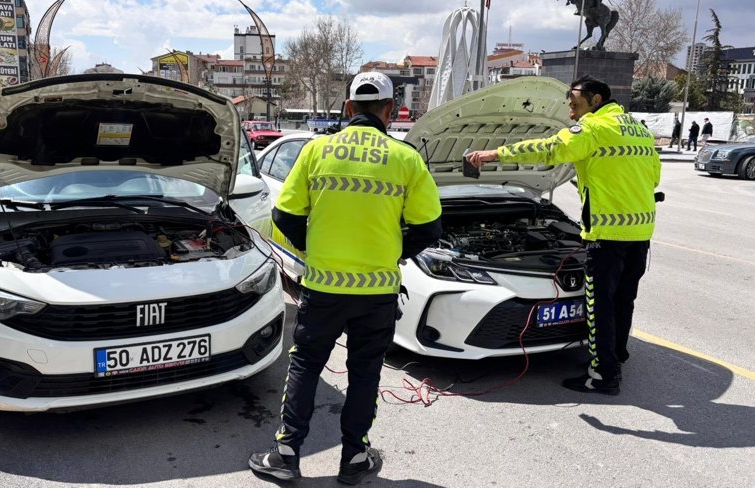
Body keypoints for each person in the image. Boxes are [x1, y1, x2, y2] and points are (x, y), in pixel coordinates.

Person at [248, 71, 443, 483]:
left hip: (322, 287)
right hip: (377, 292)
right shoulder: (406, 158)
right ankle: (354, 458)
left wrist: (311, 251)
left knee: (305, 365)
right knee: (365, 371)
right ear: (389, 110)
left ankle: (286, 456)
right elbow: (429, 229)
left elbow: (284, 214)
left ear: (349, 108)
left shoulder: (318, 151)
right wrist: (393, 253)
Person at [466, 75, 660, 395]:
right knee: (624, 299)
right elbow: (651, 177)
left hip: (607, 233)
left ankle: (603, 375)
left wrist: (492, 155)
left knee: (600, 305)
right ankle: (616, 354)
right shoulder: (638, 129)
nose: (568, 101)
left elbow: (549, 149)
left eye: (574, 95)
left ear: (595, 99)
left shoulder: (594, 128)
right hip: (639, 231)